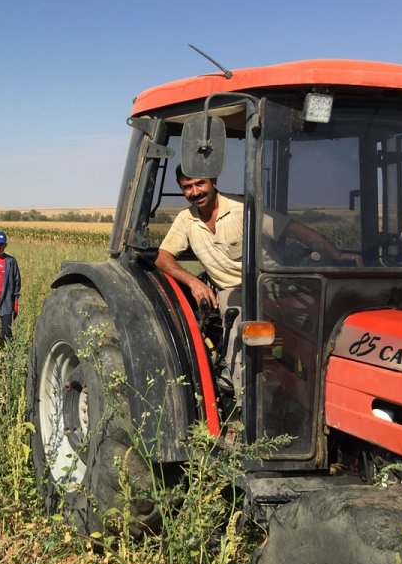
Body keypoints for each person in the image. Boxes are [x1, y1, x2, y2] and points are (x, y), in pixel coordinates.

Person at [154, 164, 362, 398]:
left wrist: (335, 254)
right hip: (232, 290)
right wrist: (194, 282)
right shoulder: (186, 220)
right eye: (187, 187)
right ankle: (245, 403)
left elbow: (294, 230)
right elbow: (163, 258)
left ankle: (321, 393)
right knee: (236, 334)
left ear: (212, 180)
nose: (195, 192)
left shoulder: (243, 209)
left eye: (199, 183)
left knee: (314, 331)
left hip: (270, 285)